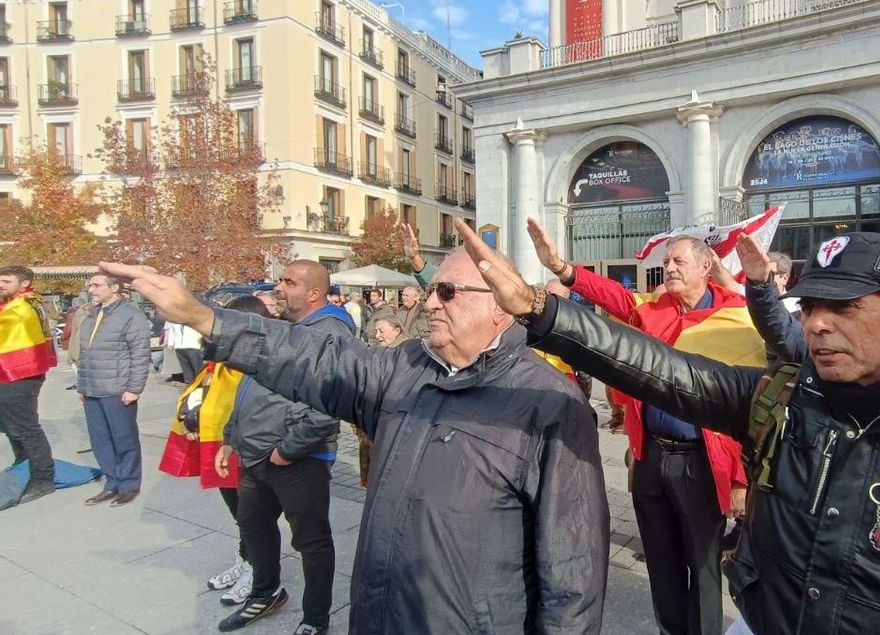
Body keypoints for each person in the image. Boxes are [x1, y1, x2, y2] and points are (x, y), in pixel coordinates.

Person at [456, 220, 880, 634]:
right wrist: (540, 308)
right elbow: (660, 370)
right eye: (811, 305)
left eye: (843, 308)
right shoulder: (784, 401)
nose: (816, 324)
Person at [101, 250, 609, 635]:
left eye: (447, 292)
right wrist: (206, 319)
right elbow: (312, 360)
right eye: (432, 289)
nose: (429, 301)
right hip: (379, 611)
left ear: (500, 306)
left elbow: (572, 569)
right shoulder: (403, 366)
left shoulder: (548, 401)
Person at [529, 217, 761, 635]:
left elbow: (753, 407)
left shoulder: (739, 318)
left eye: (678, 261)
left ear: (706, 267)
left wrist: (742, 479)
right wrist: (562, 269)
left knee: (703, 566)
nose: (668, 267)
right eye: (666, 260)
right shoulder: (650, 312)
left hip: (702, 465)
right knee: (661, 560)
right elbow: (611, 294)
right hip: (652, 457)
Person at [214, 260, 349, 635]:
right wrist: (231, 437)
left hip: (295, 458)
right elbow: (252, 384)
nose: (278, 287)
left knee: (311, 541)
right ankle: (265, 593)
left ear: (313, 293)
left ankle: (315, 620)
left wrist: (289, 449)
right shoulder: (290, 328)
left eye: (288, 282)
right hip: (256, 452)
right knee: (254, 528)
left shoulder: (330, 334)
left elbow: (329, 403)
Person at [162, 296, 265, 606]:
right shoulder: (220, 359)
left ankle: (259, 571)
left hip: (243, 448)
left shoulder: (255, 362)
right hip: (217, 445)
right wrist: (190, 415)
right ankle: (245, 560)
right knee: (238, 514)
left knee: (252, 516)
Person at [76, 274, 151, 506]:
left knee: (124, 439)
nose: (91, 290)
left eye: (97, 285)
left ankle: (128, 484)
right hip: (92, 388)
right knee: (101, 440)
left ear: (114, 288)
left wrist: (134, 388)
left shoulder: (130, 316)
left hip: (117, 390)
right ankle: (112, 482)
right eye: (90, 285)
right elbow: (84, 354)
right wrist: (82, 386)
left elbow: (140, 355)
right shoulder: (91, 314)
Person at [0, 265, 59, 503]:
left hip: (20, 375)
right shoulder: (21, 302)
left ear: (24, 283)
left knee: (25, 428)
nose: (1, 284)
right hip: (12, 373)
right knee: (12, 425)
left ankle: (43, 478)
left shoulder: (21, 307)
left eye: (6, 281)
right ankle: (23, 464)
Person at [356, 313, 406, 488]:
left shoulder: (407, 356)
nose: (377, 336)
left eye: (382, 331)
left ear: (397, 331)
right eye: (376, 331)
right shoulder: (379, 354)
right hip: (371, 433)